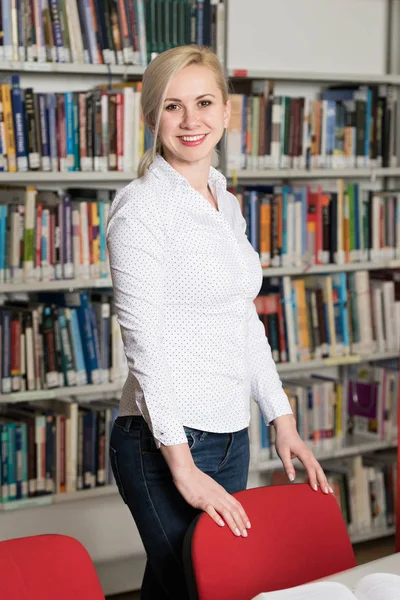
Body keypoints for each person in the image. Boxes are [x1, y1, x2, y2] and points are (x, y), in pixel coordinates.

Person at [106, 44, 332, 600]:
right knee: (202, 584)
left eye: (204, 102)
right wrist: (181, 467)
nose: (190, 121)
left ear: (227, 112)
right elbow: (146, 350)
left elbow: (243, 320)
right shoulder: (140, 211)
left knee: (181, 582)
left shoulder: (222, 200)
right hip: (164, 442)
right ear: (151, 118)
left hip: (232, 434)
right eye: (172, 106)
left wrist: (282, 420)